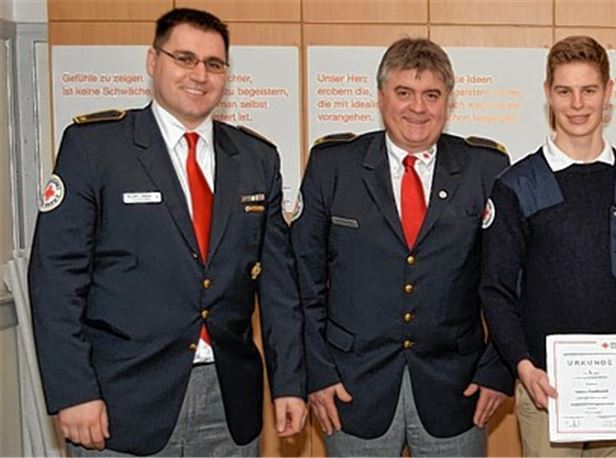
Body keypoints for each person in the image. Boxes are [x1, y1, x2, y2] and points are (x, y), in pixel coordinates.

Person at [29, 8, 306, 456]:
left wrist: (290, 381)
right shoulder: (96, 148)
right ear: (152, 61)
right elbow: (56, 279)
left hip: (229, 400)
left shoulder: (257, 159)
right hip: (120, 401)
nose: (200, 74)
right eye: (184, 58)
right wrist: (73, 391)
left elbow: (278, 287)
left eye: (214, 64)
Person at [291, 37, 513, 457]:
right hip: (350, 391)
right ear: (380, 98)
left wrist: (497, 370)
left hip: (457, 390)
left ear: (449, 101)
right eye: (404, 93)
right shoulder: (332, 166)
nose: (418, 108)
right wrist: (316, 373)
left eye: (432, 95)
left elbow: (507, 281)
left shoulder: (486, 169)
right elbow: (304, 281)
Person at [479, 35, 616, 457]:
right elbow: (496, 289)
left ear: (609, 93)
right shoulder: (517, 186)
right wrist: (522, 366)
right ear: (548, 94)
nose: (578, 104)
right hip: (545, 388)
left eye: (589, 90)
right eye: (564, 91)